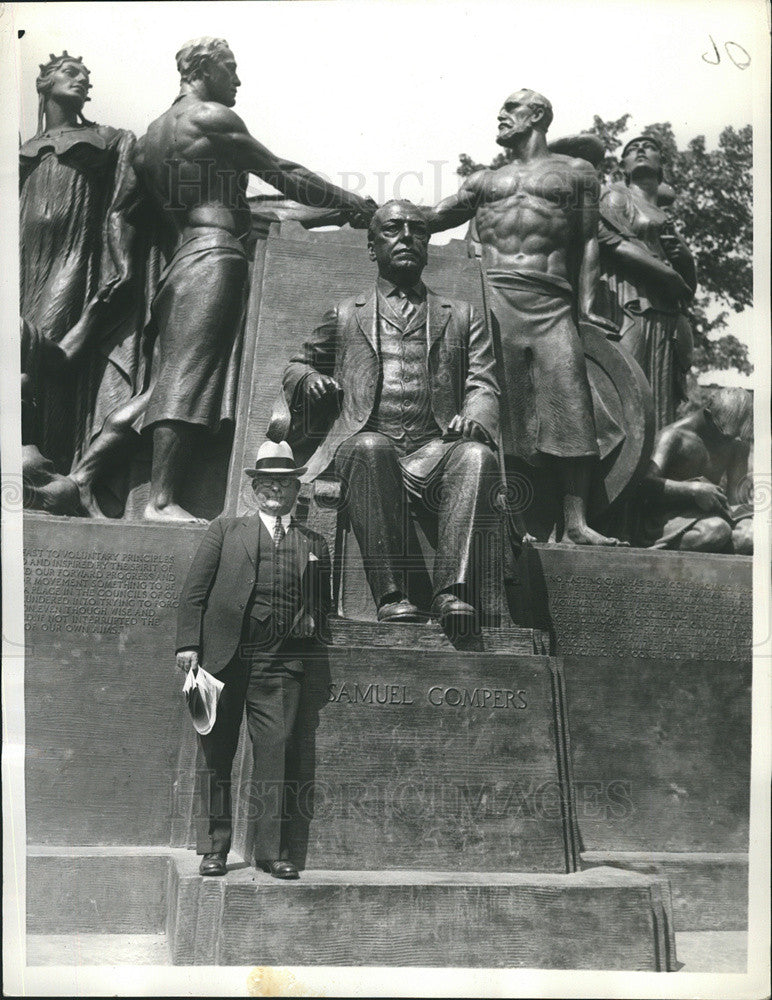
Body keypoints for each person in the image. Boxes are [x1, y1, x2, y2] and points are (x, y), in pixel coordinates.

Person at [73, 37, 375, 524]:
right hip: (215, 257)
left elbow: (122, 214)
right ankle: (161, 501)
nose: (237, 80)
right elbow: (281, 171)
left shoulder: (148, 139)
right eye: (230, 69)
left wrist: (126, 269)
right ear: (203, 68)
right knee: (188, 380)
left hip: (181, 262)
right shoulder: (211, 118)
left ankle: (82, 478)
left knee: (164, 383)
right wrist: (352, 203)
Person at [281, 199, 501, 636]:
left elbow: (484, 383)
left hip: (434, 448)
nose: (406, 238)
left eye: (417, 230)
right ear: (372, 246)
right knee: (370, 446)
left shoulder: (460, 315)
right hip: (367, 442)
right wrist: (308, 381)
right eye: (393, 229)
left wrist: (475, 416)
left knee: (476, 456)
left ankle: (449, 593)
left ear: (427, 244)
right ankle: (392, 595)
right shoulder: (346, 313)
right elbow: (296, 364)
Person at [423, 89, 624, 545]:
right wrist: (369, 212)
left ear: (536, 115)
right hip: (493, 297)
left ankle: (576, 522)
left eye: (510, 109)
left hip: (553, 299)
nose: (500, 115)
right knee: (505, 408)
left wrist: (589, 307)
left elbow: (590, 242)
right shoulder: (482, 181)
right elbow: (432, 217)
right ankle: (513, 519)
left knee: (570, 402)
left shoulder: (576, 173)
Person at [176, 441, 332, 879]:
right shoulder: (225, 531)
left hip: (279, 666)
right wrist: (187, 646)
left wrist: (312, 619)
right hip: (221, 661)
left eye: (283, 483)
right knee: (216, 755)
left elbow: (323, 604)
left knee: (275, 756)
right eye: (266, 483)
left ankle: (270, 852)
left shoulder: (313, 541)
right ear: (254, 489)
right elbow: (194, 593)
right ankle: (215, 849)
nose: (274, 490)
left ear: (296, 488)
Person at [20, 51, 140, 480]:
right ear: (44, 83)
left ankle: (46, 464)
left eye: (87, 76)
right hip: (21, 255)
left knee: (46, 351)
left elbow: (121, 207)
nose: (82, 81)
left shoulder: (108, 137)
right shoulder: (20, 148)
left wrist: (124, 265)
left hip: (71, 255)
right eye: (71, 73)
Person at [596, 135, 697, 431]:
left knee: (661, 389)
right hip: (627, 301)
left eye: (649, 147)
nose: (640, 149)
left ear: (661, 165)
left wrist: (686, 260)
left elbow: (688, 289)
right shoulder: (615, 196)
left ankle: (655, 462)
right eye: (631, 149)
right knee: (628, 379)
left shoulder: (665, 217)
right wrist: (666, 273)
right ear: (624, 166)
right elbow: (610, 243)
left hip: (665, 312)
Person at [638, 387, 753, 553]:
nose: (729, 441)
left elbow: (737, 500)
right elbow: (644, 484)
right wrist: (692, 490)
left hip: (710, 516)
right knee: (716, 531)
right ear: (708, 415)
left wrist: (748, 521)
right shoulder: (674, 436)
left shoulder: (736, 443)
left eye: (734, 436)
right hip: (666, 519)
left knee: (752, 536)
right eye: (724, 434)